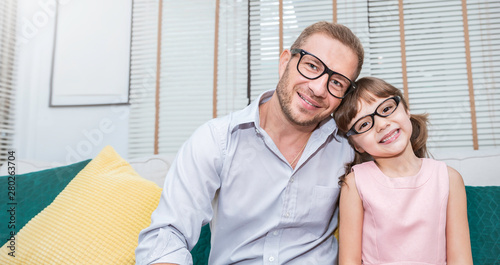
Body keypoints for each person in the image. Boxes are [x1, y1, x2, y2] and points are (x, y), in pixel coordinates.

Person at [135, 21, 364, 265]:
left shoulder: (350, 149)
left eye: (337, 82)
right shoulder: (217, 139)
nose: (319, 88)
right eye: (311, 65)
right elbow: (168, 236)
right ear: (285, 61)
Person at [333, 76, 473, 264]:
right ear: (356, 145)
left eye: (386, 109)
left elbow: (461, 260)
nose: (382, 124)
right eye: (364, 124)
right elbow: (349, 261)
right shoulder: (355, 183)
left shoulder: (449, 178)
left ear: (406, 109)